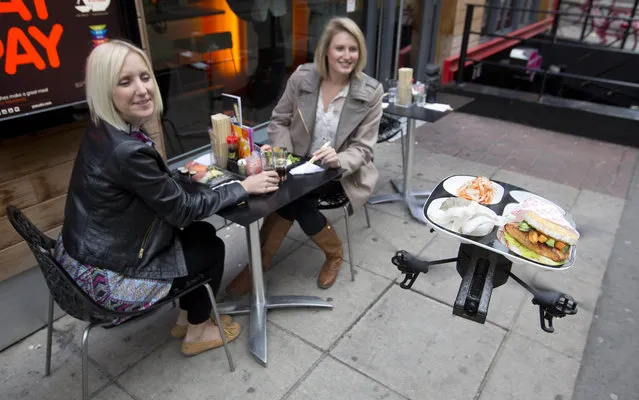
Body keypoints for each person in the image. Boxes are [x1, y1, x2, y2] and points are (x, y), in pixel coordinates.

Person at [57, 40, 280, 356]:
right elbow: (183, 212)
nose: (142, 89)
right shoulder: (127, 150)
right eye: (125, 81)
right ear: (105, 90)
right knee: (211, 247)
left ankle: (188, 317)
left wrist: (179, 178)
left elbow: (142, 187)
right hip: (106, 278)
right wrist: (244, 187)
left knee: (200, 236)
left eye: (144, 77)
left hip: (86, 255)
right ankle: (198, 332)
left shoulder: (105, 128)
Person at [226, 17, 383, 295]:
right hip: (296, 163)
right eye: (340, 48)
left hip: (340, 171)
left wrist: (339, 159)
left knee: (295, 201)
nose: (347, 56)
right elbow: (278, 120)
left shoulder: (370, 92)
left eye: (353, 49)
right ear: (326, 50)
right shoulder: (302, 78)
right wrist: (286, 155)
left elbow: (364, 148)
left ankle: (270, 264)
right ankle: (308, 256)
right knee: (286, 195)